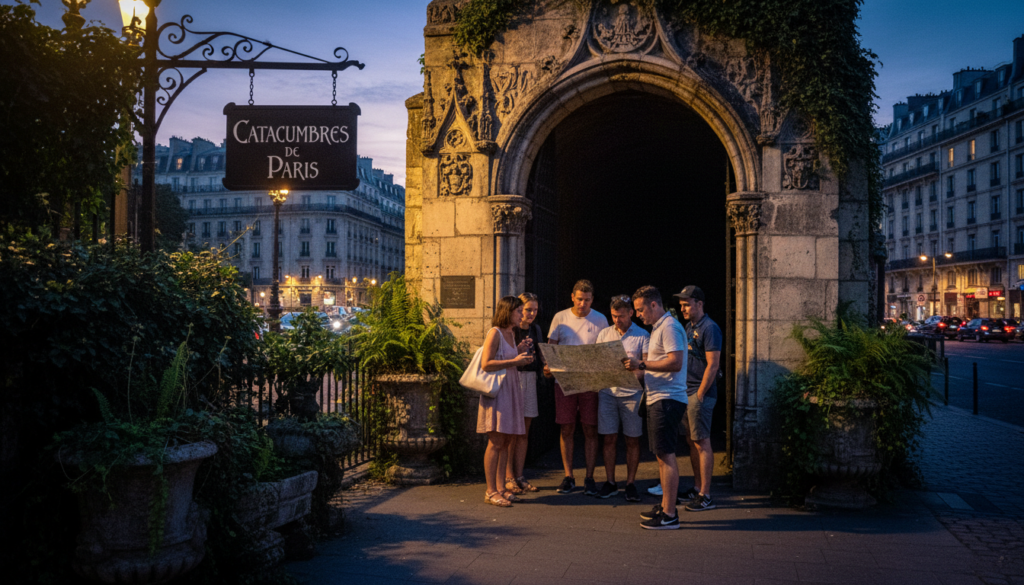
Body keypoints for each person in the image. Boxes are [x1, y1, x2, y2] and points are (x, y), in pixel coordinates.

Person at [625, 286, 688, 530]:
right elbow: (657, 365)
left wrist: (641, 362)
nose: (639, 315)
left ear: (654, 304)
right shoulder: (659, 328)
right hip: (658, 397)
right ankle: (665, 506)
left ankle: (670, 514)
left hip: (667, 399)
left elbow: (675, 362)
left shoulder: (670, 326)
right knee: (661, 455)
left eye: (641, 310)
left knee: (666, 454)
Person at [544, 279, 609, 495]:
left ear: (593, 299)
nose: (583, 304)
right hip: (565, 381)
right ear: (572, 297)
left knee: (590, 428)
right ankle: (569, 476)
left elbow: (605, 352)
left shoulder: (600, 319)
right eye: (579, 299)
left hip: (590, 381)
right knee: (567, 427)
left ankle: (589, 477)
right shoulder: (560, 318)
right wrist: (548, 367)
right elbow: (551, 350)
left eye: (587, 300)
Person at [477, 296, 534, 507]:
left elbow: (507, 358)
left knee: (507, 440)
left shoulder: (511, 332)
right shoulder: (495, 332)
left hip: (511, 389)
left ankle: (501, 487)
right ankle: (490, 491)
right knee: (496, 441)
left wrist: (518, 350)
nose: (523, 315)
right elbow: (486, 363)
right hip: (499, 392)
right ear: (508, 311)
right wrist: (515, 360)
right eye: (519, 311)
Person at [595, 295, 648, 501]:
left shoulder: (642, 335)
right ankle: (610, 482)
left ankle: (631, 483)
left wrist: (635, 369)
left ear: (631, 314)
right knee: (608, 438)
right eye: (614, 316)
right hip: (608, 392)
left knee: (632, 440)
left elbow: (646, 366)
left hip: (632, 394)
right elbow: (597, 361)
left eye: (622, 316)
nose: (617, 320)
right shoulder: (604, 334)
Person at [674, 285, 722, 512]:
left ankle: (705, 494)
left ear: (699, 304)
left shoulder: (710, 328)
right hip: (686, 391)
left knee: (702, 442)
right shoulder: (688, 326)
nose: (682, 308)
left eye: (686, 304)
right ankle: (696, 487)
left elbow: (713, 364)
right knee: (692, 441)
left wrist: (701, 393)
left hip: (698, 393)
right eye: (681, 304)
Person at [505, 292, 543, 495]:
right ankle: (508, 477)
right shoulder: (510, 330)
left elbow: (541, 355)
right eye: (528, 309)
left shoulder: (535, 329)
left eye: (535, 310)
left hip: (530, 379)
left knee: (524, 432)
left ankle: (519, 476)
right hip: (514, 378)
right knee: (511, 431)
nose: (532, 314)